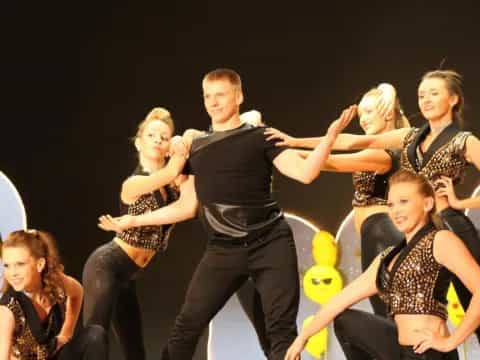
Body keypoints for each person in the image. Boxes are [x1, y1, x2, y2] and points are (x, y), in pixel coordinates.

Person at [98, 68, 356, 360]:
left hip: (270, 244)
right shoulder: (195, 145)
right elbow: (186, 206)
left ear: (239, 96)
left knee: (280, 333)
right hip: (223, 250)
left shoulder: (261, 137)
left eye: (220, 94)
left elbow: (306, 173)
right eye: (207, 96)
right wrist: (135, 220)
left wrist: (330, 136)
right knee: (186, 327)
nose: (213, 102)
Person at [281, 70, 480, 341]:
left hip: (452, 227)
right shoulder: (410, 137)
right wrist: (293, 143)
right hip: (421, 233)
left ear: (454, 99)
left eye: (434, 93)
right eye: (422, 95)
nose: (426, 100)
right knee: (421, 309)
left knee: (474, 307)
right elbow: (351, 142)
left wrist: (461, 201)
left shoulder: (464, 140)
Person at [82, 106, 266, 360]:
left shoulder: (177, 185)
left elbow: (252, 116)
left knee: (135, 351)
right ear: (138, 144)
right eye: (151, 135)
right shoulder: (133, 184)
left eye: (165, 136)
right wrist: (184, 143)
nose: (158, 139)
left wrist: (187, 137)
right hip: (107, 264)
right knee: (94, 338)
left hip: (129, 275)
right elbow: (170, 171)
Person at [285, 169, 480, 360]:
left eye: (404, 202)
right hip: (401, 351)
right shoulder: (388, 258)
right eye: (391, 204)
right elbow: (339, 301)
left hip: (429, 354)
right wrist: (302, 337)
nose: (396, 211)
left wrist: (451, 341)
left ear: (427, 203)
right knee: (346, 321)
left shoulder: (440, 240)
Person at [265, 84, 409, 316]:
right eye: (361, 115)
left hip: (382, 234)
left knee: (391, 312)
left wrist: (283, 149)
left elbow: (331, 160)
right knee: (387, 312)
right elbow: (339, 146)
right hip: (375, 236)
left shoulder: (382, 155)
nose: (363, 120)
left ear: (388, 113)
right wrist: (290, 145)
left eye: (369, 112)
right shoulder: (384, 147)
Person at [0, 229, 107, 360]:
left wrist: (66, 333)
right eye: (6, 266)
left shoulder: (55, 282)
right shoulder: (7, 310)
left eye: (20, 264)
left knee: (94, 335)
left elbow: (77, 292)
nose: (12, 273)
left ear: (40, 264)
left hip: (55, 355)